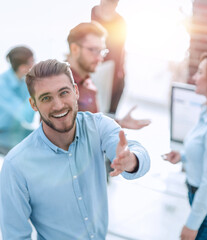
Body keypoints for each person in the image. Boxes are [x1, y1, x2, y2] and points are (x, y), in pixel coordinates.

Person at [0, 59, 150, 239]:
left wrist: (131, 160)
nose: (58, 105)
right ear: (33, 104)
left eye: (64, 93)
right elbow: (15, 235)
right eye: (46, 98)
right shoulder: (16, 165)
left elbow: (136, 151)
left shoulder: (98, 126)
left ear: (75, 91)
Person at [163, 53, 207, 240]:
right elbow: (204, 150)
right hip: (198, 198)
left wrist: (191, 225)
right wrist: (183, 156)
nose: (194, 77)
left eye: (200, 72)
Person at [67, 21, 150, 130]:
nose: (100, 58)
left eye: (101, 51)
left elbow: (92, 124)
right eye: (94, 50)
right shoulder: (62, 85)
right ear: (75, 49)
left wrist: (120, 123)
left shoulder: (88, 82)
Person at [91, 0, 126, 114]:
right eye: (102, 2)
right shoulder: (94, 12)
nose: (103, 6)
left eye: (107, 4)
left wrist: (113, 85)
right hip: (96, 70)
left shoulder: (120, 23)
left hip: (113, 73)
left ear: (115, 5)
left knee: (107, 113)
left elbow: (117, 58)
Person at [0, 46, 35, 154]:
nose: (35, 65)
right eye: (32, 61)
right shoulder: (2, 85)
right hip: (3, 135)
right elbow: (25, 116)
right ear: (22, 67)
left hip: (17, 131)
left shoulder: (24, 81)